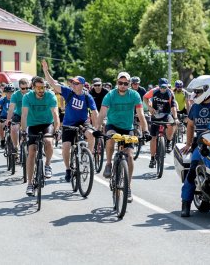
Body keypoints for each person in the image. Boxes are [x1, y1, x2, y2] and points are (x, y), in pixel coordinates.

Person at [93, 72, 150, 203]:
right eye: (120, 83)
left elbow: (140, 115)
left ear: (129, 84)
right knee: (111, 138)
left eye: (125, 83)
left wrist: (145, 131)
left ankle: (128, 187)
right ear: (117, 82)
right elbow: (102, 114)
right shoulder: (110, 95)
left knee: (130, 155)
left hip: (127, 127)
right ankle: (108, 164)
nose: (123, 86)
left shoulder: (134, 95)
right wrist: (97, 129)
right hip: (112, 124)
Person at [42, 60, 98, 182]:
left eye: (76, 83)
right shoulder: (68, 92)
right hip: (68, 123)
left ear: (82, 85)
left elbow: (94, 113)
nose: (73, 84)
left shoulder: (87, 96)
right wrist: (46, 71)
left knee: (91, 134)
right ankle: (68, 169)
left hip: (83, 122)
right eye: (72, 82)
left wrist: (96, 128)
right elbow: (52, 84)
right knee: (66, 146)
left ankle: (88, 155)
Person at [180, 75, 210, 217]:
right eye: (195, 91)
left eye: (199, 91)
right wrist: (189, 143)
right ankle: (186, 203)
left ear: (208, 89)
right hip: (202, 146)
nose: (196, 94)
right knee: (192, 171)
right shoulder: (195, 106)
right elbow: (190, 125)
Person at [20, 76, 60, 196]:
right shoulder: (27, 97)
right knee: (31, 151)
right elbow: (24, 115)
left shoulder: (50, 95)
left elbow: (55, 114)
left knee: (48, 141)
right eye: (38, 88)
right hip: (33, 125)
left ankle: (47, 165)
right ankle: (30, 184)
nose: (41, 90)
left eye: (42, 87)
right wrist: (23, 131)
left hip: (47, 124)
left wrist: (57, 129)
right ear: (33, 88)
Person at [143, 78, 178, 168]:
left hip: (166, 114)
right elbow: (145, 98)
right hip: (155, 114)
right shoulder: (154, 91)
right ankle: (152, 158)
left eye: (165, 87)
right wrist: (149, 107)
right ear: (158, 86)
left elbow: (173, 107)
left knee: (172, 124)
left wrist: (176, 118)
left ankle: (169, 142)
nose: (163, 89)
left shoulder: (170, 93)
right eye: (161, 87)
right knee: (153, 138)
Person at [6, 78, 31, 151]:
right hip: (18, 115)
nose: (26, 90)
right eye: (23, 88)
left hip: (29, 115)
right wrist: (8, 119)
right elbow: (11, 108)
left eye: (27, 88)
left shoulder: (32, 93)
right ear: (19, 87)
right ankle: (16, 146)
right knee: (14, 129)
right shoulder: (15, 95)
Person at [0, 83, 14, 149]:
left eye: (11, 92)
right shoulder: (3, 99)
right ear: (5, 93)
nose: (9, 94)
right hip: (4, 117)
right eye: (8, 92)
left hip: (14, 117)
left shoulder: (15, 99)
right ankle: (2, 140)